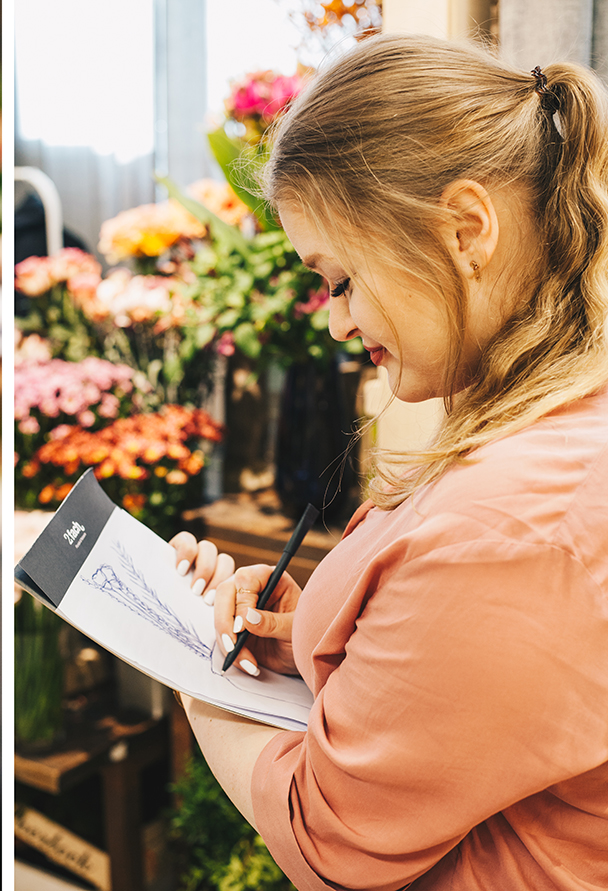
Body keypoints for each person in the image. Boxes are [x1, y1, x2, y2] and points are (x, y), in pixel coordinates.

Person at [169, 33, 608, 890]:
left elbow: (332, 839)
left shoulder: (509, 527)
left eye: (340, 280)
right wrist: (319, 636)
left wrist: (191, 675)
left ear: (465, 229)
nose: (334, 322)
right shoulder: (557, 421)